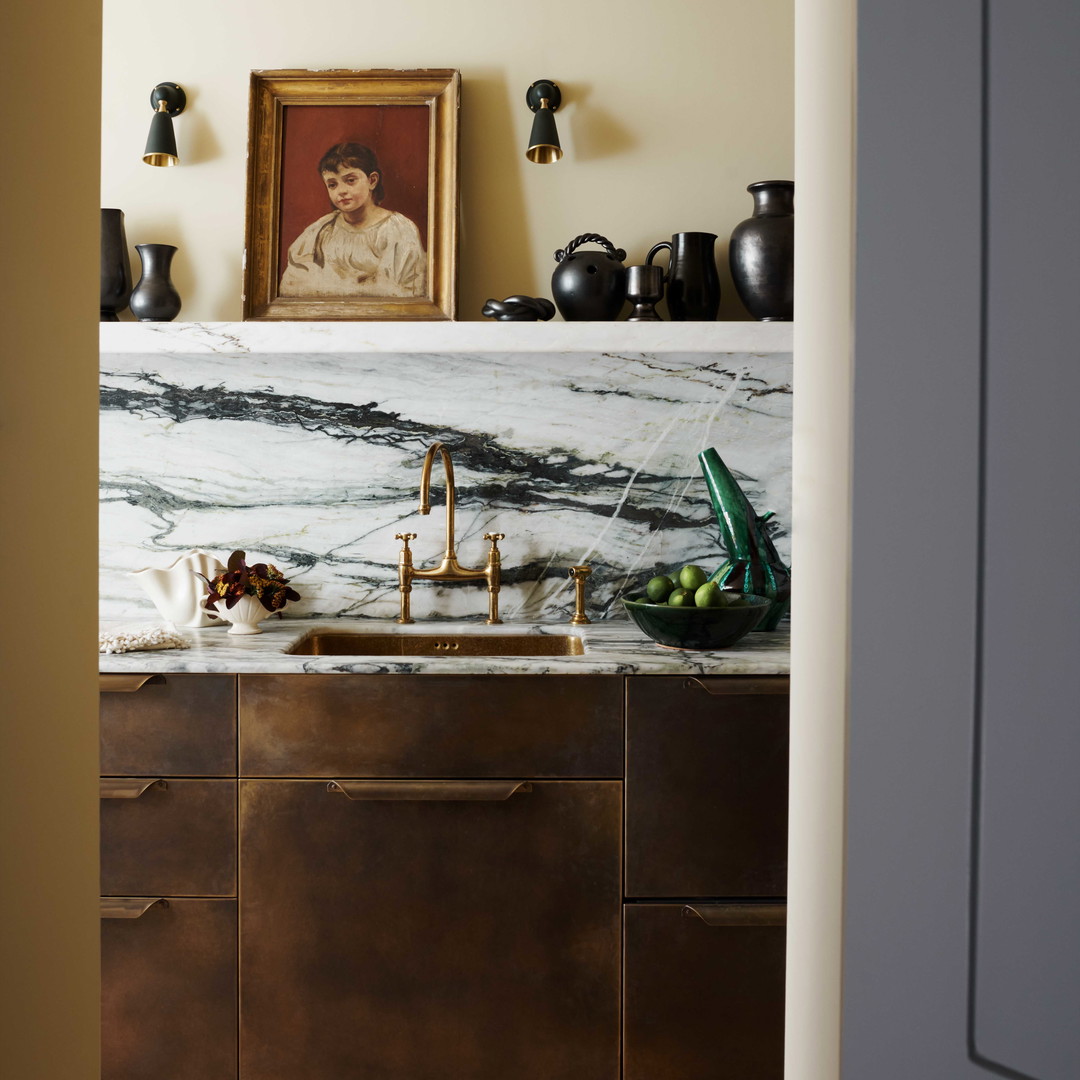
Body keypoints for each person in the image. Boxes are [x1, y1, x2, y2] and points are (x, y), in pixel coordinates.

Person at [279, 142, 426, 298]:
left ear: (372, 181)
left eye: (350, 180)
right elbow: (291, 285)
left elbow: (402, 292)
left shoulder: (398, 230)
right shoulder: (321, 230)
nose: (341, 191)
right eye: (332, 185)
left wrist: (329, 284)